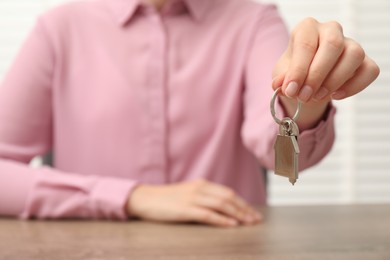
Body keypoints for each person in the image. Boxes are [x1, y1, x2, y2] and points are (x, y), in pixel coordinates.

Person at [0, 0, 379, 227]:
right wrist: (131, 197)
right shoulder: (60, 29)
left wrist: (308, 97)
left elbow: (276, 150)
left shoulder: (254, 21)